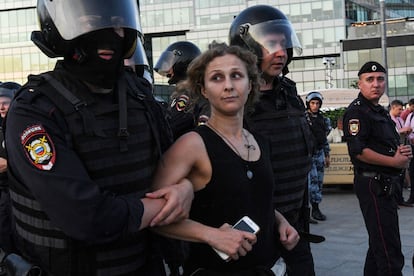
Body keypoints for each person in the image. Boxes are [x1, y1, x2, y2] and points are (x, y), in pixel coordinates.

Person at [4, 0, 193, 275]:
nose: (109, 33)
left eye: (117, 21)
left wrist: (185, 187)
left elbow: (170, 166)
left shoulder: (139, 95)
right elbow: (87, 217)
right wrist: (166, 205)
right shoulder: (34, 110)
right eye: (90, 21)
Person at [152, 42, 299, 275]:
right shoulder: (192, 144)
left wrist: (280, 221)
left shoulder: (260, 141)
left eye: (237, 75)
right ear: (203, 90)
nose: (229, 86)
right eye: (217, 78)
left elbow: (255, 199)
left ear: (251, 85)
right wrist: (211, 235)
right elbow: (154, 215)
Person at [229, 5, 316, 276]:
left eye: (283, 42)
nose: (281, 51)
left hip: (297, 219)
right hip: (257, 225)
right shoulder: (233, 99)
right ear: (248, 48)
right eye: (270, 43)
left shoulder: (288, 91)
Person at [343, 61, 412, 276]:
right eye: (370, 79)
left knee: (378, 244)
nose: (376, 84)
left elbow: (385, 143)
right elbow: (359, 151)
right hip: (373, 184)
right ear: (360, 83)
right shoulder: (357, 112)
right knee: (389, 252)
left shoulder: (379, 111)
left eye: (380, 79)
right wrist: (394, 162)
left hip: (387, 184)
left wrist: (400, 153)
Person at [154, 41, 210, 139]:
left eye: (170, 64)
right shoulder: (194, 91)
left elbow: (170, 127)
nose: (168, 71)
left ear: (182, 65)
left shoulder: (187, 95)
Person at [0, 82, 21, 255]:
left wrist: (9, 164)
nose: (1, 106)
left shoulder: (21, 127)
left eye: (5, 101)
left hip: (18, 192)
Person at [306, 91, 330, 221]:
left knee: (319, 182)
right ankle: (307, 211)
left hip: (319, 153)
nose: (315, 106)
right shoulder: (304, 119)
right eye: (312, 103)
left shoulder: (323, 120)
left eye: (317, 103)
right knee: (310, 184)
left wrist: (327, 154)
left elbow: (324, 138)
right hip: (308, 156)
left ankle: (316, 209)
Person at [389, 99, 413, 207]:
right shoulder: (389, 120)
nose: (400, 112)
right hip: (393, 150)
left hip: (402, 147)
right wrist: (402, 131)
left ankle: (400, 199)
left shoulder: (399, 119)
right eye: (399, 109)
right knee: (394, 177)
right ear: (393, 108)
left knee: (401, 175)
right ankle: (393, 200)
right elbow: (392, 133)